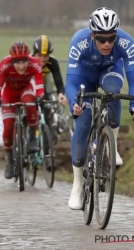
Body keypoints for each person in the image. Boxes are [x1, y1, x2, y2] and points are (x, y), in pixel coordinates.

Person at [65, 7, 134, 210]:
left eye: (111, 38)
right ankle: (78, 184)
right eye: (102, 39)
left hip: (109, 72)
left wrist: (133, 104)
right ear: (92, 35)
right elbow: (71, 82)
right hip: (82, 77)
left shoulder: (126, 42)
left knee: (113, 90)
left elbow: (132, 75)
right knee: (83, 122)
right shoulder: (79, 43)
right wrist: (73, 103)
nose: (107, 44)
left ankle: (107, 145)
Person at [0, 42, 44, 179]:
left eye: (24, 62)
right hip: (9, 93)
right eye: (17, 63)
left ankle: (32, 136)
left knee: (29, 103)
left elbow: (39, 85)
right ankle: (9, 159)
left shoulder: (35, 64)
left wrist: (39, 97)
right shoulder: (4, 65)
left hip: (26, 89)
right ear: (12, 61)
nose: (21, 66)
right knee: (8, 127)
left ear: (28, 59)